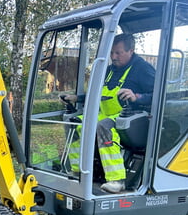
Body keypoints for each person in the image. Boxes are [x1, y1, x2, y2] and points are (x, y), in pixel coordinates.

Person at [63, 33, 155, 193]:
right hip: (106, 113)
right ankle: (78, 171)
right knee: (75, 124)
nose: (113, 56)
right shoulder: (110, 70)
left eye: (118, 53)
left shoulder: (143, 69)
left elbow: (159, 95)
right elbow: (97, 94)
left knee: (104, 127)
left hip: (131, 114)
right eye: (112, 52)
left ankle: (117, 180)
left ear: (131, 51)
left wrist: (137, 96)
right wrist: (77, 98)